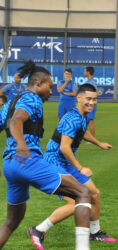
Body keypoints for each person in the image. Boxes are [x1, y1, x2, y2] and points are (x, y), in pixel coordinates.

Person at [0, 61, 92, 250]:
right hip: (27, 161)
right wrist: (22, 144)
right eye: (49, 87)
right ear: (39, 83)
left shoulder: (9, 103)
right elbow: (17, 120)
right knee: (83, 193)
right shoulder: (32, 98)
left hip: (9, 166)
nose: (52, 91)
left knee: (12, 220)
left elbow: (8, 121)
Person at [29, 83, 116, 249]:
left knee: (94, 193)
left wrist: (98, 143)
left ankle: (94, 233)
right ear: (79, 98)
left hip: (66, 162)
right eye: (88, 99)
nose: (92, 102)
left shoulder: (81, 116)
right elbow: (64, 147)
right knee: (77, 202)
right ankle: (38, 230)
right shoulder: (72, 118)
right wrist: (81, 168)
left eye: (95, 99)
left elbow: (82, 132)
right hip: (54, 162)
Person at [84, 66, 98, 138]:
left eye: (85, 71)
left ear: (88, 72)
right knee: (85, 121)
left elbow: (96, 93)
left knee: (91, 122)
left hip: (91, 105)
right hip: (87, 104)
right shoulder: (89, 82)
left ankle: (92, 139)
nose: (84, 72)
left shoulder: (91, 82)